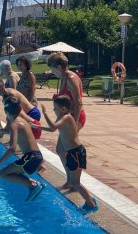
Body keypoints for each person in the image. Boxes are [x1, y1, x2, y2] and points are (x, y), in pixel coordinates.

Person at [31, 95, 98, 214]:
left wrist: (45, 114)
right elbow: (52, 129)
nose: (53, 110)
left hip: (76, 152)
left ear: (63, 109)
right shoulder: (62, 117)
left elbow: (52, 127)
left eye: (55, 108)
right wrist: (36, 126)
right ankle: (90, 201)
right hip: (74, 152)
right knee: (74, 182)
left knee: (75, 182)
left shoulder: (66, 117)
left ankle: (91, 204)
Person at [0, 95, 45, 201]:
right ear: (20, 109)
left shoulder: (15, 124)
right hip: (37, 156)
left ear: (6, 112)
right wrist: (1, 131)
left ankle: (33, 185)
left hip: (30, 157)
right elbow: (14, 131)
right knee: (11, 172)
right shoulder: (22, 121)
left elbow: (12, 148)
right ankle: (34, 184)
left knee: (3, 173)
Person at [47, 52, 86, 190]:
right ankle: (71, 179)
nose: (51, 71)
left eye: (52, 68)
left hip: (74, 119)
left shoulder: (70, 78)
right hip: (67, 119)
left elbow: (79, 102)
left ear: (58, 67)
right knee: (61, 149)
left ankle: (73, 181)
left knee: (65, 149)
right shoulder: (64, 77)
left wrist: (74, 125)